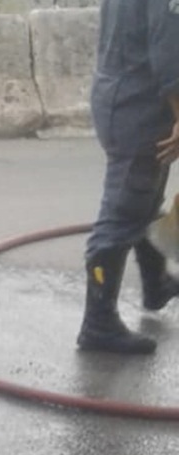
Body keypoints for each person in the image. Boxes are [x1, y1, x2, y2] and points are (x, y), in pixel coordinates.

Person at [78, 0, 179, 354]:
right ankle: (98, 324)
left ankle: (156, 284)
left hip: (120, 96)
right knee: (121, 218)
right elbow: (168, 51)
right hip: (141, 107)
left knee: (146, 202)